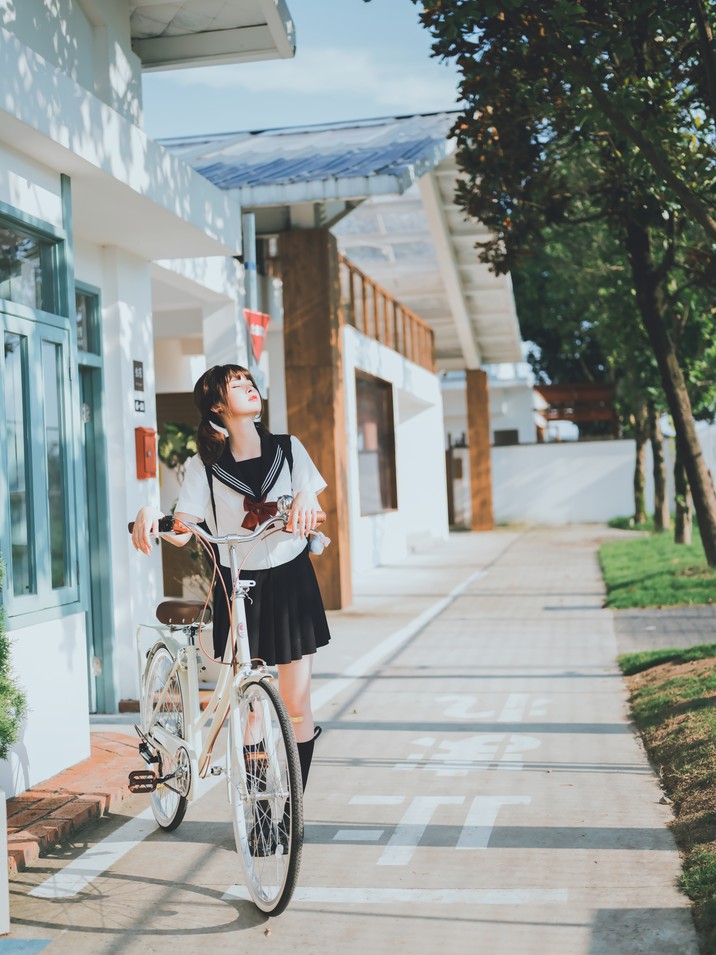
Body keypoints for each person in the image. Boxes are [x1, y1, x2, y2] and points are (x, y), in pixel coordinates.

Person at [131, 364, 330, 792]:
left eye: (250, 382)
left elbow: (310, 496)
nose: (249, 388)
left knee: (296, 704)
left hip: (293, 581)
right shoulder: (204, 466)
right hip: (240, 585)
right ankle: (258, 803)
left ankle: (291, 810)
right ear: (218, 406)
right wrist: (152, 514)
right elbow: (183, 530)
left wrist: (306, 495)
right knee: (254, 705)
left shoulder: (289, 448)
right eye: (236, 385)